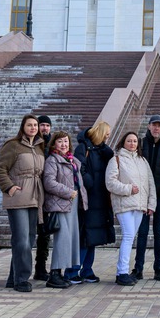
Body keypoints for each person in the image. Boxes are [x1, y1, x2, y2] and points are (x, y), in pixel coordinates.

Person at [0, 113, 46, 293]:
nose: (33, 128)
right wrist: (9, 187)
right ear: (23, 127)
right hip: (18, 198)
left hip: (35, 198)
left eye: (35, 125)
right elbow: (0, 169)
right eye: (29, 125)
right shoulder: (13, 145)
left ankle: (13, 278)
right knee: (22, 240)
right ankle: (22, 279)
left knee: (28, 240)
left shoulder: (39, 147)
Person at [106, 130, 156, 287]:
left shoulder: (142, 161)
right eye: (129, 141)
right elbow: (110, 183)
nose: (132, 144)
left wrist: (151, 204)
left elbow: (150, 184)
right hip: (124, 205)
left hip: (139, 206)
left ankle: (123, 272)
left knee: (131, 237)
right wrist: (128, 189)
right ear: (123, 142)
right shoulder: (116, 160)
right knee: (128, 236)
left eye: (135, 141)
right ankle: (122, 272)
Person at [42, 130, 88, 289]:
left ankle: (61, 273)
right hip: (60, 204)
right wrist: (68, 192)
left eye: (66, 141)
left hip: (73, 204)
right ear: (54, 143)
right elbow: (49, 182)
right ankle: (54, 274)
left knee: (70, 239)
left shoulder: (72, 160)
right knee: (62, 239)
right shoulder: (52, 160)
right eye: (60, 141)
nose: (63, 144)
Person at [73, 120, 115, 283]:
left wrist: (103, 146)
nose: (108, 136)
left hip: (100, 197)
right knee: (84, 235)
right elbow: (78, 168)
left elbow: (111, 156)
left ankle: (87, 269)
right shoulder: (83, 148)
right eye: (106, 133)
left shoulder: (100, 149)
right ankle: (73, 270)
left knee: (93, 236)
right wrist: (89, 181)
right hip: (87, 197)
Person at [133, 115, 160, 281]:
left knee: (159, 231)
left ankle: (159, 268)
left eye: (159, 126)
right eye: (154, 125)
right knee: (142, 232)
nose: (156, 128)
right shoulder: (140, 144)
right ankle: (138, 268)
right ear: (149, 126)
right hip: (142, 195)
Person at [33, 114, 53, 280]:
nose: (44, 128)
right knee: (30, 233)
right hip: (33, 193)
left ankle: (41, 267)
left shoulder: (54, 144)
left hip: (48, 195)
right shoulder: (33, 143)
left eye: (47, 125)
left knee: (44, 234)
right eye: (42, 125)